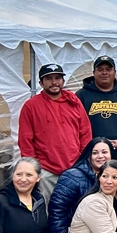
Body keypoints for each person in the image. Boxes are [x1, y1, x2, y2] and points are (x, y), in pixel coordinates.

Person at [46, 137, 114, 233]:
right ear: (88, 155)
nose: (100, 156)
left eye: (105, 152)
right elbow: (57, 210)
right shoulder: (72, 176)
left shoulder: (113, 176)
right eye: (95, 152)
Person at [19, 63, 91, 202]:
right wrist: (34, 168)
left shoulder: (74, 101)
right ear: (40, 83)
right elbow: (25, 140)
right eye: (49, 79)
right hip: (47, 170)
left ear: (63, 81)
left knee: (76, 207)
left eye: (57, 78)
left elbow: (85, 132)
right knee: (48, 209)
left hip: (75, 167)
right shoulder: (31, 106)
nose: (54, 82)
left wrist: (83, 161)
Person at [76, 56, 117, 169]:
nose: (104, 72)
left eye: (108, 69)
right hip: (91, 155)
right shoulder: (81, 95)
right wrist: (91, 145)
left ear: (115, 72)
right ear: (93, 72)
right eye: (100, 69)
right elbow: (76, 125)